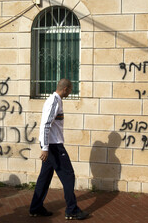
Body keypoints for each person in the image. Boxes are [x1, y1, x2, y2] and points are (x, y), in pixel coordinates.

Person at [29, 79, 89, 220]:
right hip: (53, 146)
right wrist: (45, 148)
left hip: (51, 145)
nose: (71, 92)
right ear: (65, 89)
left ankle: (36, 207)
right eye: (70, 89)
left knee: (44, 177)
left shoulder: (55, 101)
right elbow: (45, 125)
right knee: (68, 176)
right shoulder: (54, 101)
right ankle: (72, 210)